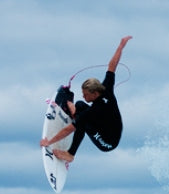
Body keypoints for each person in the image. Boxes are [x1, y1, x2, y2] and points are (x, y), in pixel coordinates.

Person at [40, 35, 131, 163]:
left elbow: (69, 130)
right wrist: (121, 46)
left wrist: (48, 142)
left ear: (94, 93)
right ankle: (74, 113)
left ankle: (70, 154)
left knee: (81, 120)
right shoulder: (106, 87)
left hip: (108, 142)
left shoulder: (94, 110)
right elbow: (112, 66)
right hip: (109, 127)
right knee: (80, 104)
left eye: (86, 94)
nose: (83, 96)